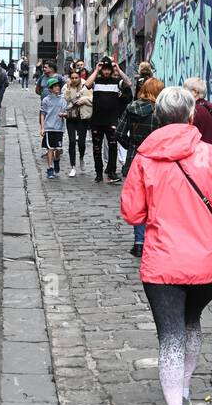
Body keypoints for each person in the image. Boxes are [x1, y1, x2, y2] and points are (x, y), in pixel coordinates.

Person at [121, 86, 212, 405]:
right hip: (208, 264)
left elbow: (132, 212)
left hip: (163, 264)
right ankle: (186, 391)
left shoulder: (145, 158)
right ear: (192, 117)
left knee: (170, 336)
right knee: (191, 322)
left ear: (159, 118)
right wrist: (210, 229)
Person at [117, 77, 163, 255]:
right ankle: (156, 240)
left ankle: (139, 242)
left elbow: (120, 133)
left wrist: (132, 145)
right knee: (158, 201)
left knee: (139, 201)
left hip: (136, 156)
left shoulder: (132, 108)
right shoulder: (162, 111)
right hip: (158, 159)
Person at [85, 55, 132, 184]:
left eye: (108, 69)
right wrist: (96, 70)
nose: (106, 71)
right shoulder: (96, 81)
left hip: (111, 120)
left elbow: (129, 83)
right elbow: (87, 84)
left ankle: (111, 172)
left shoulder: (117, 82)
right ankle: (98, 173)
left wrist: (118, 69)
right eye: (104, 69)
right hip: (97, 121)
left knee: (112, 147)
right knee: (96, 148)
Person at [63, 68, 93, 175]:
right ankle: (73, 167)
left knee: (81, 143)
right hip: (70, 117)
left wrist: (83, 100)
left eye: (76, 77)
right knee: (71, 141)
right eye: (72, 78)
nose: (74, 80)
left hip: (82, 117)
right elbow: (65, 100)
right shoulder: (66, 86)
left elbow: (93, 100)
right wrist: (68, 88)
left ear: (80, 77)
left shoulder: (86, 86)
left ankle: (81, 157)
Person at [184, 77, 212, 149]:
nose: (183, 94)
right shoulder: (211, 106)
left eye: (185, 90)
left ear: (195, 92)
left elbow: (187, 139)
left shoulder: (194, 111)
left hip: (203, 153)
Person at [40, 75, 67, 179]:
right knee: (50, 149)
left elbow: (66, 112)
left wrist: (64, 114)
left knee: (58, 149)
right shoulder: (46, 100)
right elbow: (42, 114)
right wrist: (42, 128)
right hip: (49, 128)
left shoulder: (63, 100)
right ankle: (50, 168)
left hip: (59, 128)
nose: (57, 88)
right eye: (54, 86)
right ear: (50, 89)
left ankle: (56, 160)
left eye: (58, 86)